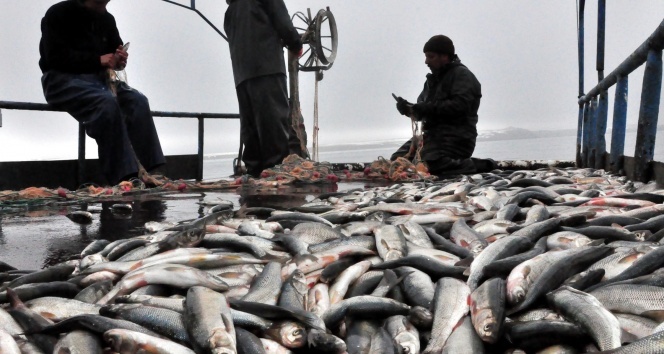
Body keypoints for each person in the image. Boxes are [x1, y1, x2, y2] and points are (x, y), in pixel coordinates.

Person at [39, 0, 165, 186]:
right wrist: (97, 60)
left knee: (138, 100)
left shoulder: (108, 20)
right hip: (61, 80)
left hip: (101, 81)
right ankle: (125, 178)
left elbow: (115, 54)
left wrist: (119, 60)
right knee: (106, 103)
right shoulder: (58, 13)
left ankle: (150, 171)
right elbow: (54, 58)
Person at [392, 34, 492, 177]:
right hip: (431, 137)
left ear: (445, 56)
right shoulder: (431, 81)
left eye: (430, 57)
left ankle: (482, 165)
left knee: (430, 165)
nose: (426, 61)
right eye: (426, 57)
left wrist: (423, 108)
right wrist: (409, 109)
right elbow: (423, 109)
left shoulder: (462, 75)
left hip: (457, 138)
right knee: (397, 161)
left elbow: (460, 106)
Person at [224, 0, 303, 178]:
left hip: (242, 75)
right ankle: (275, 173)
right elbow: (282, 21)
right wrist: (296, 45)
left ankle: (254, 174)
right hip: (268, 68)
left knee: (250, 126)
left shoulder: (230, 12)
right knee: (273, 123)